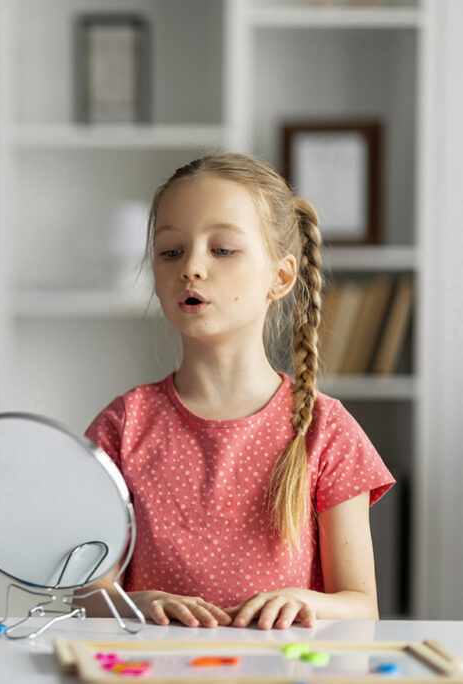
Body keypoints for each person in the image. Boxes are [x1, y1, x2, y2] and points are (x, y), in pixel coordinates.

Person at [84, 153, 394, 630]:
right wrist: (137, 603)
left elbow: (361, 605)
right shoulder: (122, 426)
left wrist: (304, 603)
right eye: (171, 251)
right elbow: (88, 594)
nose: (192, 267)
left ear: (281, 276)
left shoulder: (327, 430)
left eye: (223, 249)